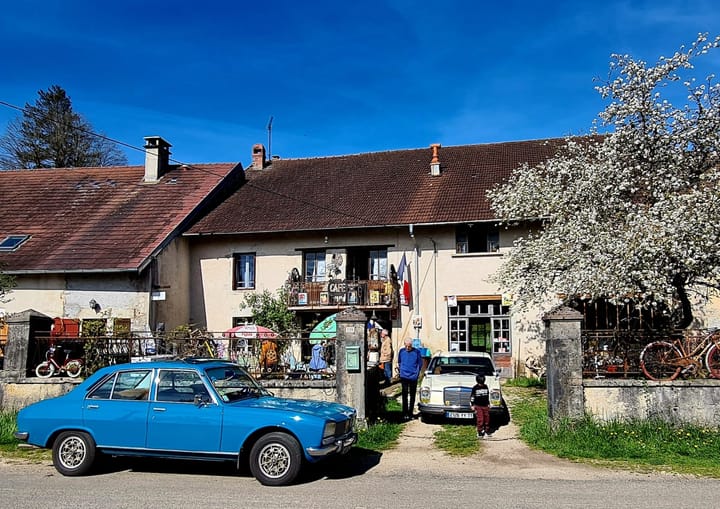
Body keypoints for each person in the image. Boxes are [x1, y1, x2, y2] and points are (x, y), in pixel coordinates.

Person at [397, 337, 423, 420]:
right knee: (404, 395)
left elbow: (420, 364)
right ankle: (404, 413)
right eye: (406, 346)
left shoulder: (416, 352)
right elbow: (399, 361)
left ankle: (410, 413)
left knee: (412, 395)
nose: (408, 348)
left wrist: (417, 373)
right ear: (404, 345)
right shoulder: (401, 351)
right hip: (404, 376)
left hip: (413, 377)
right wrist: (401, 370)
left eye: (409, 346)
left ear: (412, 345)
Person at [470, 374, 491, 439]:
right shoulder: (475, 388)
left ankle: (486, 430)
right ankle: (480, 431)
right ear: (477, 382)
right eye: (480, 383)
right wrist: (472, 404)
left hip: (485, 405)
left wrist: (488, 403)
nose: (481, 385)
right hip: (478, 406)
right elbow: (472, 397)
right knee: (480, 419)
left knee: (487, 418)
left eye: (482, 383)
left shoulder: (486, 386)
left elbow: (487, 396)